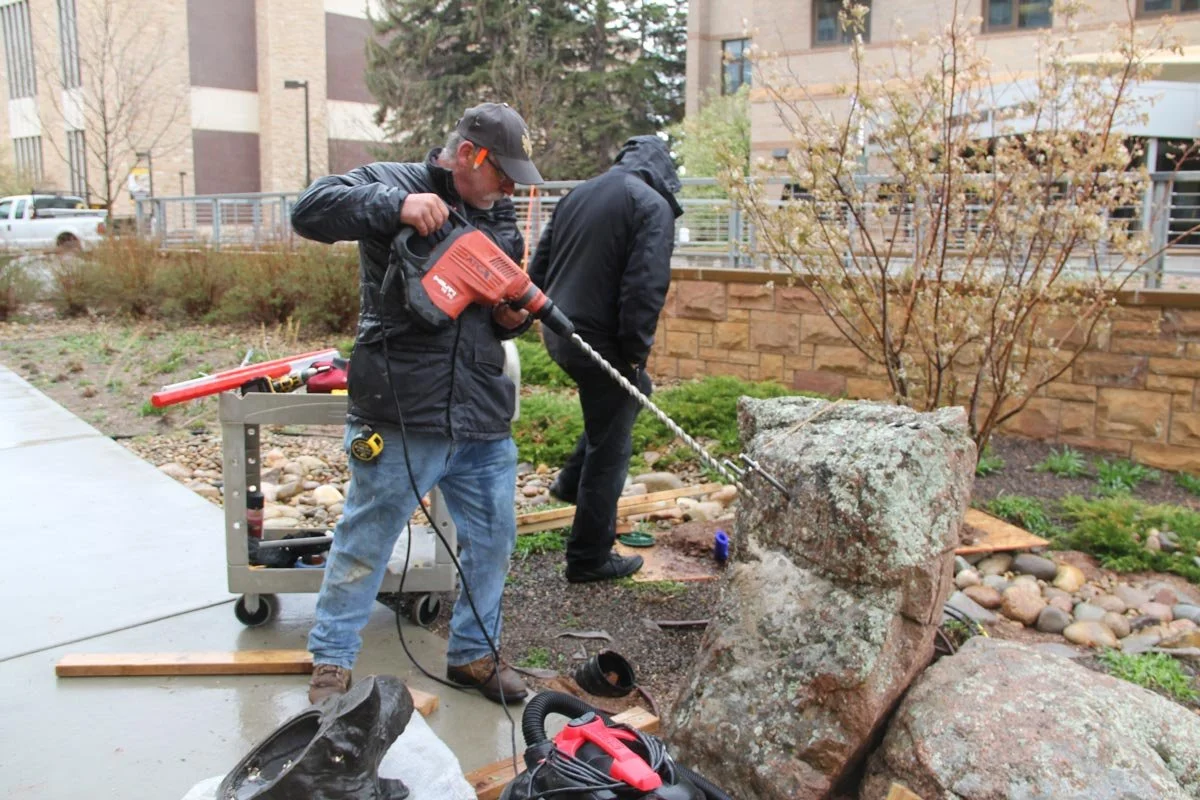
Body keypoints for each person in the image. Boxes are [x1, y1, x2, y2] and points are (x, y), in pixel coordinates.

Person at [290, 102, 544, 706]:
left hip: (480, 411)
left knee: (493, 536)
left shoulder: (499, 214)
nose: (509, 187)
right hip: (402, 405)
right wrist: (392, 207)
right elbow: (307, 211)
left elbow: (492, 314)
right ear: (466, 155)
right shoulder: (391, 182)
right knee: (368, 533)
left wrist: (510, 319)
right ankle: (331, 661)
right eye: (502, 172)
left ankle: (474, 655)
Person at [528, 135, 682, 583]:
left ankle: (569, 484)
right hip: (600, 341)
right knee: (612, 446)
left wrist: (538, 314)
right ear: (663, 172)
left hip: (558, 329)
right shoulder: (651, 204)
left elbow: (539, 265)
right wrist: (634, 355)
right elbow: (644, 287)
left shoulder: (580, 192)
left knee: (631, 400)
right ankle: (589, 557)